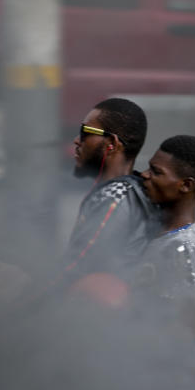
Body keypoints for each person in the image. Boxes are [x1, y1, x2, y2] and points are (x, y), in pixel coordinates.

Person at [56, 97, 159, 306]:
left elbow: (78, 264)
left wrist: (36, 299)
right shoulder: (132, 189)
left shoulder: (115, 197)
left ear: (112, 144)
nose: (77, 141)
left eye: (86, 133)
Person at [136, 135, 195, 302]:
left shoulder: (183, 246)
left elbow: (178, 320)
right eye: (149, 168)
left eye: (156, 172)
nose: (144, 175)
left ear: (186, 185)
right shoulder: (161, 233)